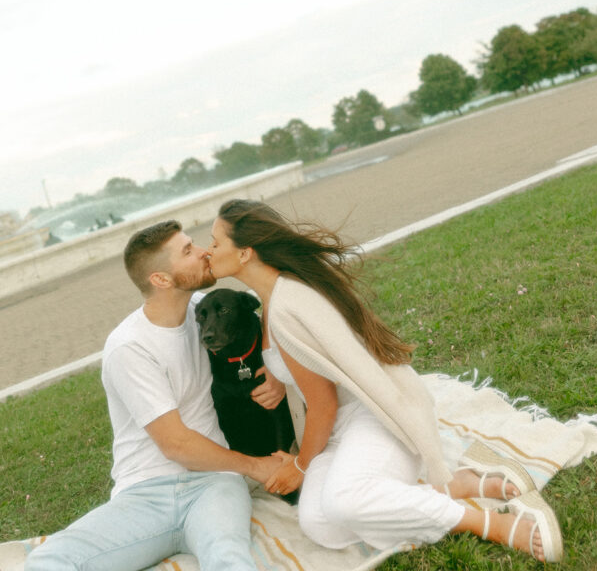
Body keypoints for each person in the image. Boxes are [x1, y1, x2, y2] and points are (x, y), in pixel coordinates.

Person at [208, 199, 564, 564]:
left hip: (373, 416)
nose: (209, 251)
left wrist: (299, 466)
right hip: (337, 432)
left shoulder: (286, 305)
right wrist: (283, 379)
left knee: (346, 501)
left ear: (245, 253)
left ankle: (494, 523)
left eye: (216, 242)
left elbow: (324, 404)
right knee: (320, 524)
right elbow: (310, 363)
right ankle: (453, 487)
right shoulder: (270, 298)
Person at [26, 219, 286, 571]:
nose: (203, 252)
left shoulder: (203, 312)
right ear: (161, 279)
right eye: (188, 251)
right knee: (51, 560)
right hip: (147, 492)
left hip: (216, 485)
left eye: (195, 244)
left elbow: (268, 302)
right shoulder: (129, 347)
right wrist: (257, 466)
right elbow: (176, 444)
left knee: (229, 557)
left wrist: (272, 364)